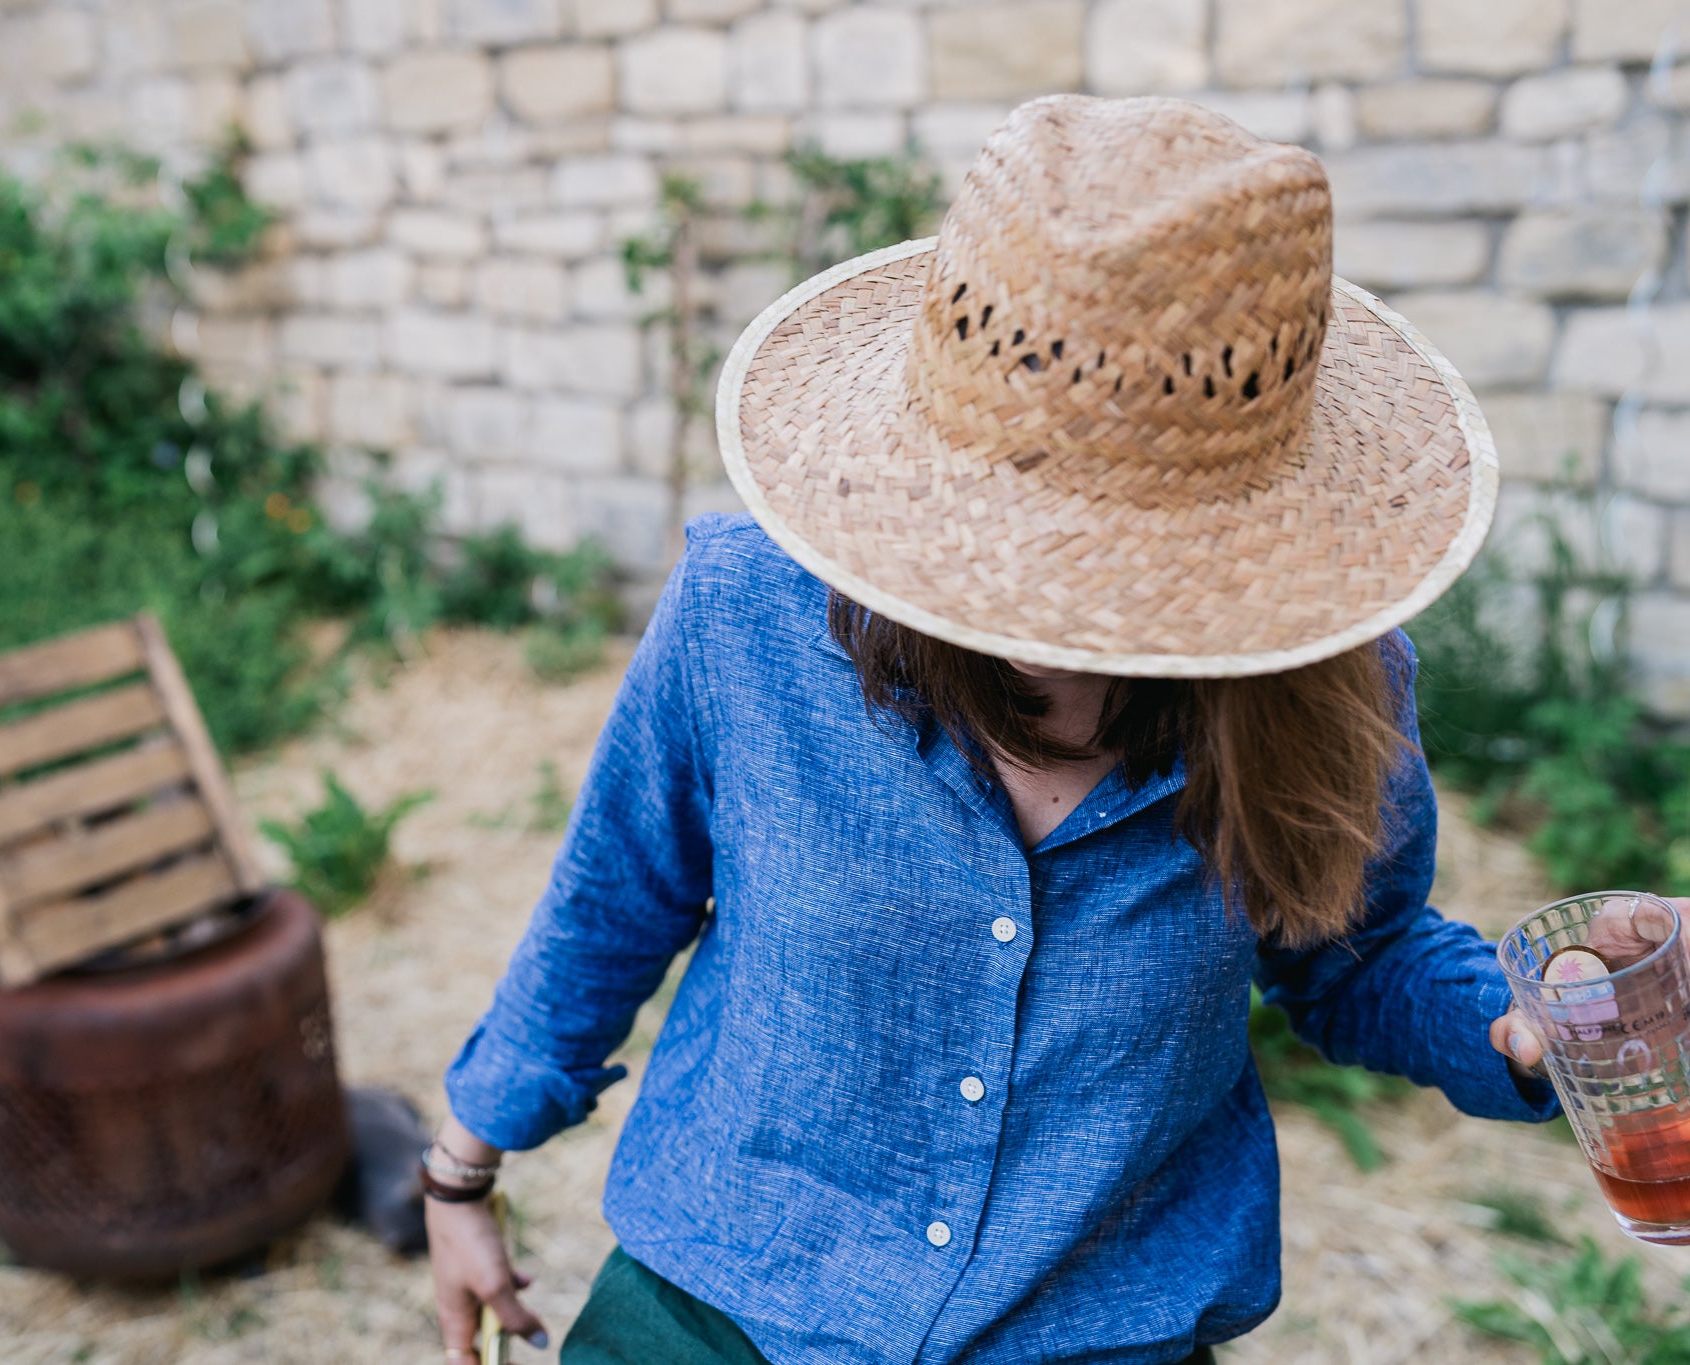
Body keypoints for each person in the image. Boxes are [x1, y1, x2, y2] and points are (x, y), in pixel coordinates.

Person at [423, 95, 1573, 1364]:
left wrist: (1535, 1023)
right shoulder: (746, 613)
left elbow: (1355, 955)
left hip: (1093, 1331)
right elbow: (613, 897)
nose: (1064, 595)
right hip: (724, 1308)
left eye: (1131, 546)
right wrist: (459, 1173)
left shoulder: (1335, 683)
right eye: (1027, 526)